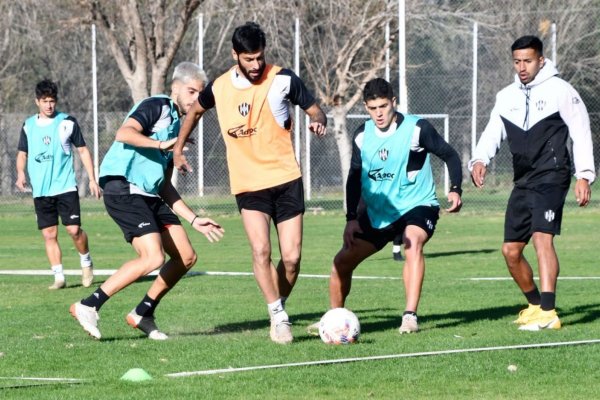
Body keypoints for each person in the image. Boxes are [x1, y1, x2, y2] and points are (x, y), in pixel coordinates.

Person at [173, 22, 327, 344]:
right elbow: (194, 112)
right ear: (236, 55)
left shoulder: (284, 79)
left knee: (292, 258)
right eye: (249, 59)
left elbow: (316, 110)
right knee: (260, 250)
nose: (256, 65)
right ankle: (279, 316)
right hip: (248, 182)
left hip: (286, 178)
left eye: (259, 58)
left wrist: (316, 122)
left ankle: (278, 305)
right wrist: (178, 149)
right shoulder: (219, 87)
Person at [70, 62, 224, 340]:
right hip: (122, 186)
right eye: (191, 92)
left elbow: (163, 185)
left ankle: (143, 312)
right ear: (175, 87)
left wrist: (193, 219)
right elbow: (124, 133)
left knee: (186, 256)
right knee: (153, 256)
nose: (194, 99)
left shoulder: (181, 125)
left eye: (199, 95)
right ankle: (88, 305)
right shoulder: (158, 106)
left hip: (148, 194)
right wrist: (161, 144)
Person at [310, 78, 462, 335]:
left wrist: (456, 188)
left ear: (393, 102)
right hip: (380, 212)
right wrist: (350, 219)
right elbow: (354, 178)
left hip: (417, 203)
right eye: (372, 108)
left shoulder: (417, 129)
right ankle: (334, 320)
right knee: (341, 263)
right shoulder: (362, 136)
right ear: (366, 107)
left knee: (412, 240)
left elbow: (449, 154)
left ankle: (410, 317)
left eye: (383, 106)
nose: (378, 113)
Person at [469, 35, 595, 331]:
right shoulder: (506, 96)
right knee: (510, 251)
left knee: (542, 238)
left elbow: (581, 130)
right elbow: (492, 132)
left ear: (541, 59)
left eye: (527, 61)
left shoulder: (560, 91)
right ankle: (536, 304)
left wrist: (584, 174)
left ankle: (549, 313)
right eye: (517, 61)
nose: (522, 67)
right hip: (523, 180)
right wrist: (479, 159)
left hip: (552, 175)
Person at [16, 79, 100, 290]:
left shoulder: (67, 122)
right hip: (41, 190)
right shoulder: (28, 125)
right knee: (49, 234)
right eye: (45, 101)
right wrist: (20, 173)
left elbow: (82, 150)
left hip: (65, 187)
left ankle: (86, 262)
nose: (49, 105)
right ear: (37, 102)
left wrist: (92, 179)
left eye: (52, 101)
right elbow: (22, 153)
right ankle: (59, 277)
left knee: (73, 230)